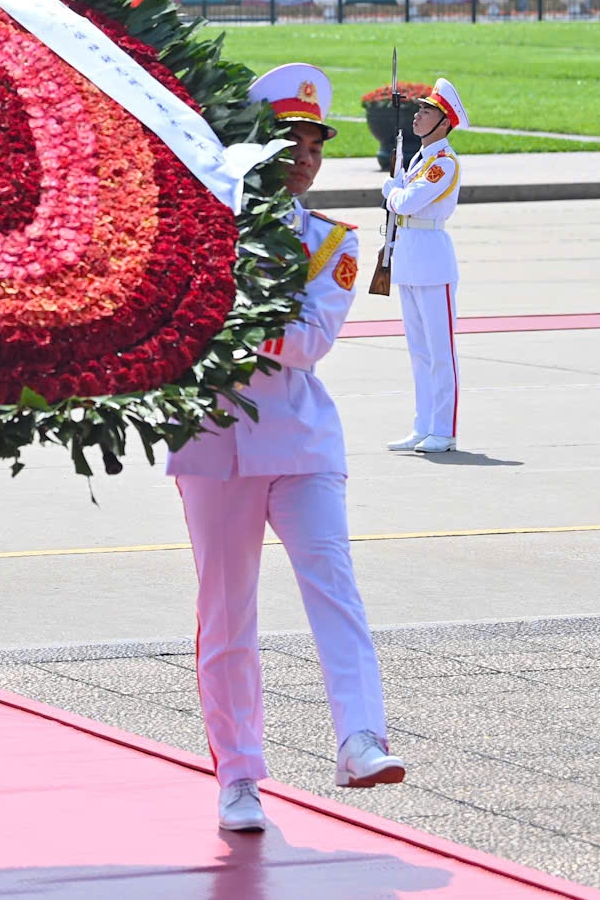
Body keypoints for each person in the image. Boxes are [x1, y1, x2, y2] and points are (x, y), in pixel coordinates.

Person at [170, 64, 404, 834]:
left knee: (333, 585)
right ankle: (237, 773)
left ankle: (361, 737)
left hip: (301, 444)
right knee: (225, 613)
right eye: (288, 140)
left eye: (314, 143)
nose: (303, 155)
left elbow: (307, 342)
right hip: (213, 447)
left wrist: (225, 317)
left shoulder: (332, 242)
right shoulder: (199, 225)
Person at [384, 79, 466, 456]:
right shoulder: (420, 159)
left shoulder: (444, 164)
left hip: (432, 258)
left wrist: (392, 192)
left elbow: (407, 201)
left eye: (426, 112)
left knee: (440, 351)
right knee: (418, 350)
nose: (418, 116)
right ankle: (423, 425)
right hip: (410, 256)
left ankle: (444, 430)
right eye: (418, 110)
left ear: (444, 122)